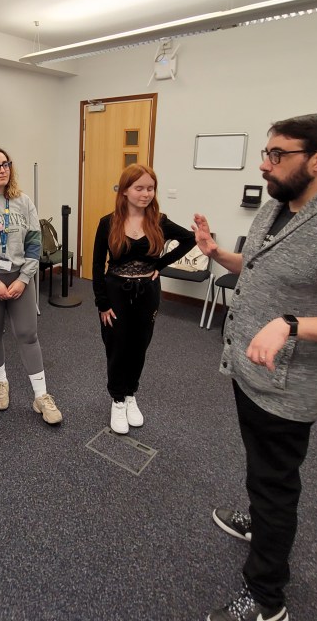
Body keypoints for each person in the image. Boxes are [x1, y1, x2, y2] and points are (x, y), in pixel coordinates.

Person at [193, 114, 317, 621]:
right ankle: (258, 524)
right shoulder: (279, 205)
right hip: (250, 369)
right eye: (267, 153)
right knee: (261, 469)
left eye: (277, 154)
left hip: (288, 387)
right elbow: (260, 268)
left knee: (275, 486)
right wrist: (218, 253)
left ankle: (267, 599)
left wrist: (291, 324)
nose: (265, 164)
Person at [0, 146, 62, 425]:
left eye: (6, 164)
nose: (2, 169)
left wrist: (24, 278)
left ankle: (41, 396)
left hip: (19, 278)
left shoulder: (23, 201)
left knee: (28, 334)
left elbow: (34, 244)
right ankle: (0, 382)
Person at [92, 163, 196, 434]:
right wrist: (102, 303)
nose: (146, 193)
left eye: (151, 188)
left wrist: (160, 264)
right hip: (115, 292)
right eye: (139, 188)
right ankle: (117, 399)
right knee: (117, 346)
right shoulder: (108, 222)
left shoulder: (159, 221)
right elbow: (97, 266)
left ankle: (130, 394)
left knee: (139, 346)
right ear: (125, 190)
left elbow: (190, 239)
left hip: (147, 293)